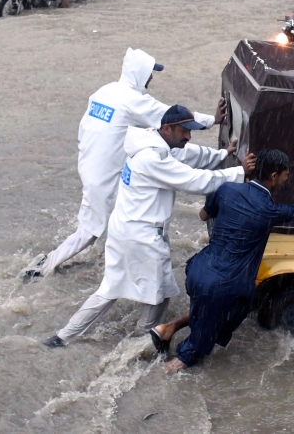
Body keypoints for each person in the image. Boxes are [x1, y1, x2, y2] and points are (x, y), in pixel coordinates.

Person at [44, 106, 253, 348]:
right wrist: (239, 172)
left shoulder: (148, 146)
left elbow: (188, 155)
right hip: (142, 237)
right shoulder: (153, 159)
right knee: (159, 296)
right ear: (167, 129)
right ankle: (141, 344)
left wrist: (221, 154)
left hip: (124, 230)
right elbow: (194, 181)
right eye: (184, 131)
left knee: (109, 290)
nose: (188, 136)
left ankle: (62, 337)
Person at [20, 49, 223, 280]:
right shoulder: (132, 100)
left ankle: (123, 267)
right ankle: (44, 269)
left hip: (90, 167)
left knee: (109, 223)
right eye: (149, 73)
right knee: (93, 230)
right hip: (106, 177)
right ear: (140, 73)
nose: (151, 78)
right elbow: (168, 115)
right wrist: (212, 120)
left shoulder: (103, 92)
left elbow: (84, 129)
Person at [159, 151, 294, 373]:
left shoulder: (227, 190)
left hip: (198, 270)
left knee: (207, 309)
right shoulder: (269, 210)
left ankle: (168, 328)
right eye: (285, 175)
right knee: (195, 350)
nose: (287, 180)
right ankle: (165, 372)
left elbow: (203, 215)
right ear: (273, 176)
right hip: (226, 285)